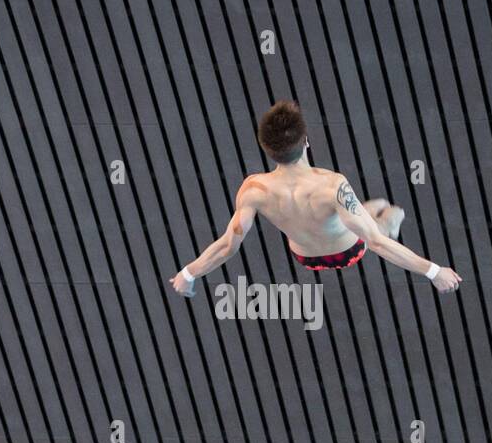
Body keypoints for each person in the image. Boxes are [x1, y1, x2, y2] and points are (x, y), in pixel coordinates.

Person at [170, 100, 462, 296]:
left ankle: (372, 209)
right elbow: (376, 243)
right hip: (349, 251)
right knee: (387, 213)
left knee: (365, 209)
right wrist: (433, 271)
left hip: (304, 257)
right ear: (306, 142)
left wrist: (189, 273)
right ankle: (390, 216)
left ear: (267, 148)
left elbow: (226, 246)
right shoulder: (333, 185)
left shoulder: (254, 190)